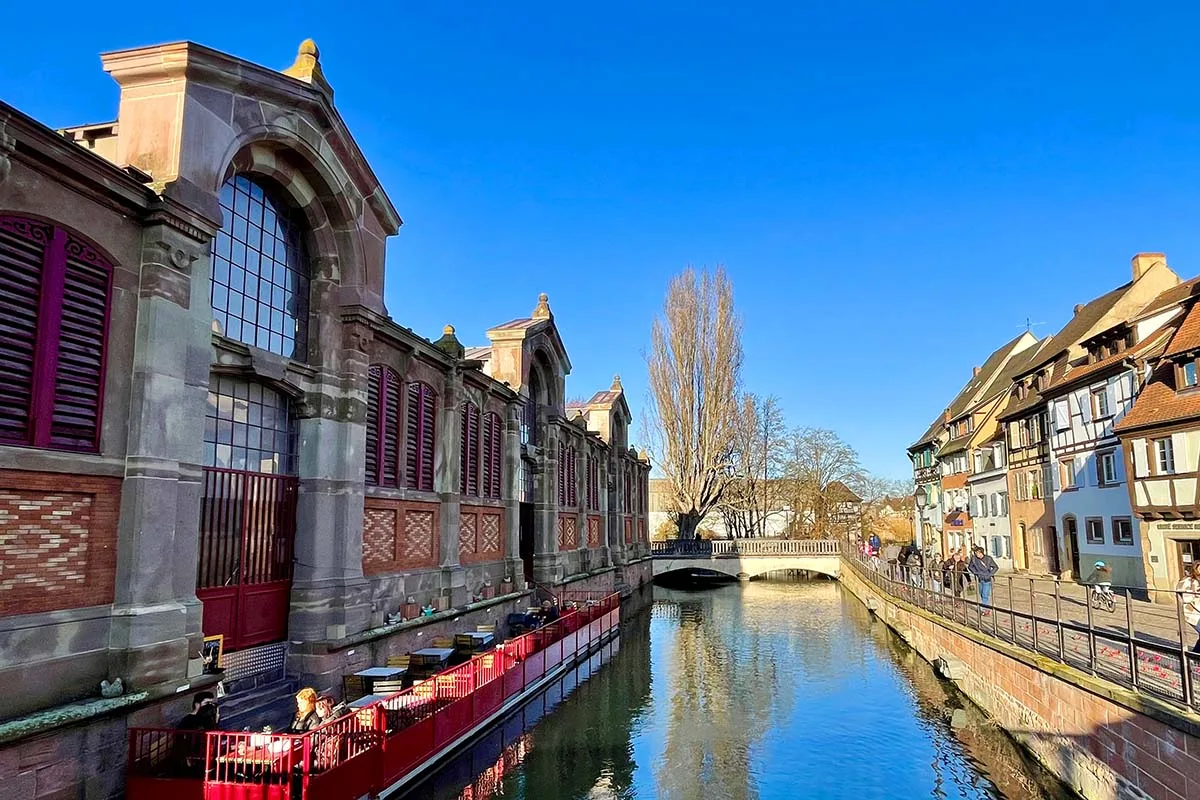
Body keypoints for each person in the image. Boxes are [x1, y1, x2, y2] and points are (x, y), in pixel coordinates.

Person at [1176, 564, 1200, 654]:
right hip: (1190, 612)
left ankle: (1194, 655)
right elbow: (1183, 596)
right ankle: (1194, 656)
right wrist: (1194, 594)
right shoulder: (1187, 581)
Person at [968, 545, 999, 611]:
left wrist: (989, 575)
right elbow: (970, 567)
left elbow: (995, 567)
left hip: (987, 579)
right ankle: (985, 606)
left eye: (978, 553)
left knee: (985, 594)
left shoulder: (988, 559)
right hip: (979, 579)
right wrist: (976, 573)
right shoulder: (974, 559)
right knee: (981, 593)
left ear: (982, 553)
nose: (977, 554)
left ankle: (985, 609)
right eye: (976, 553)